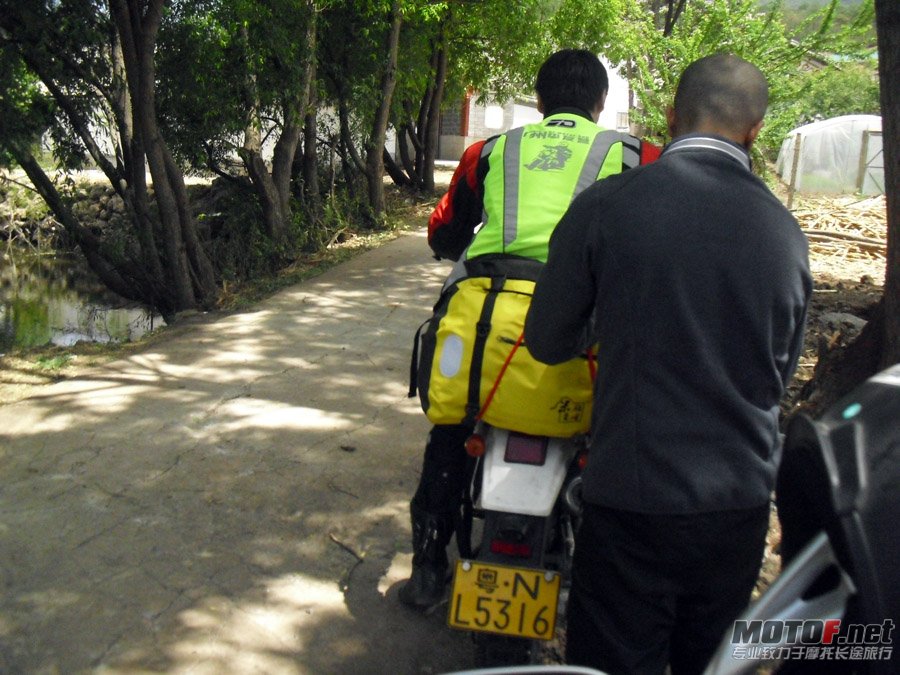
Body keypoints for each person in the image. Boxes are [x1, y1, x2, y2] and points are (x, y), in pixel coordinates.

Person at [523, 54, 813, 674]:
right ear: (755, 130)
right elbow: (777, 377)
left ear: (671, 116)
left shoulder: (608, 206)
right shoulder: (785, 234)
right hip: (737, 509)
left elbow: (547, 340)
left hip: (631, 503)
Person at [399, 48, 660, 610]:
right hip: (581, 337)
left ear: (538, 102)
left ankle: (426, 564)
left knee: (450, 431)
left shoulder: (490, 150)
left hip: (482, 327)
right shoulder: (642, 157)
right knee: (606, 442)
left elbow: (444, 231)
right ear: (601, 102)